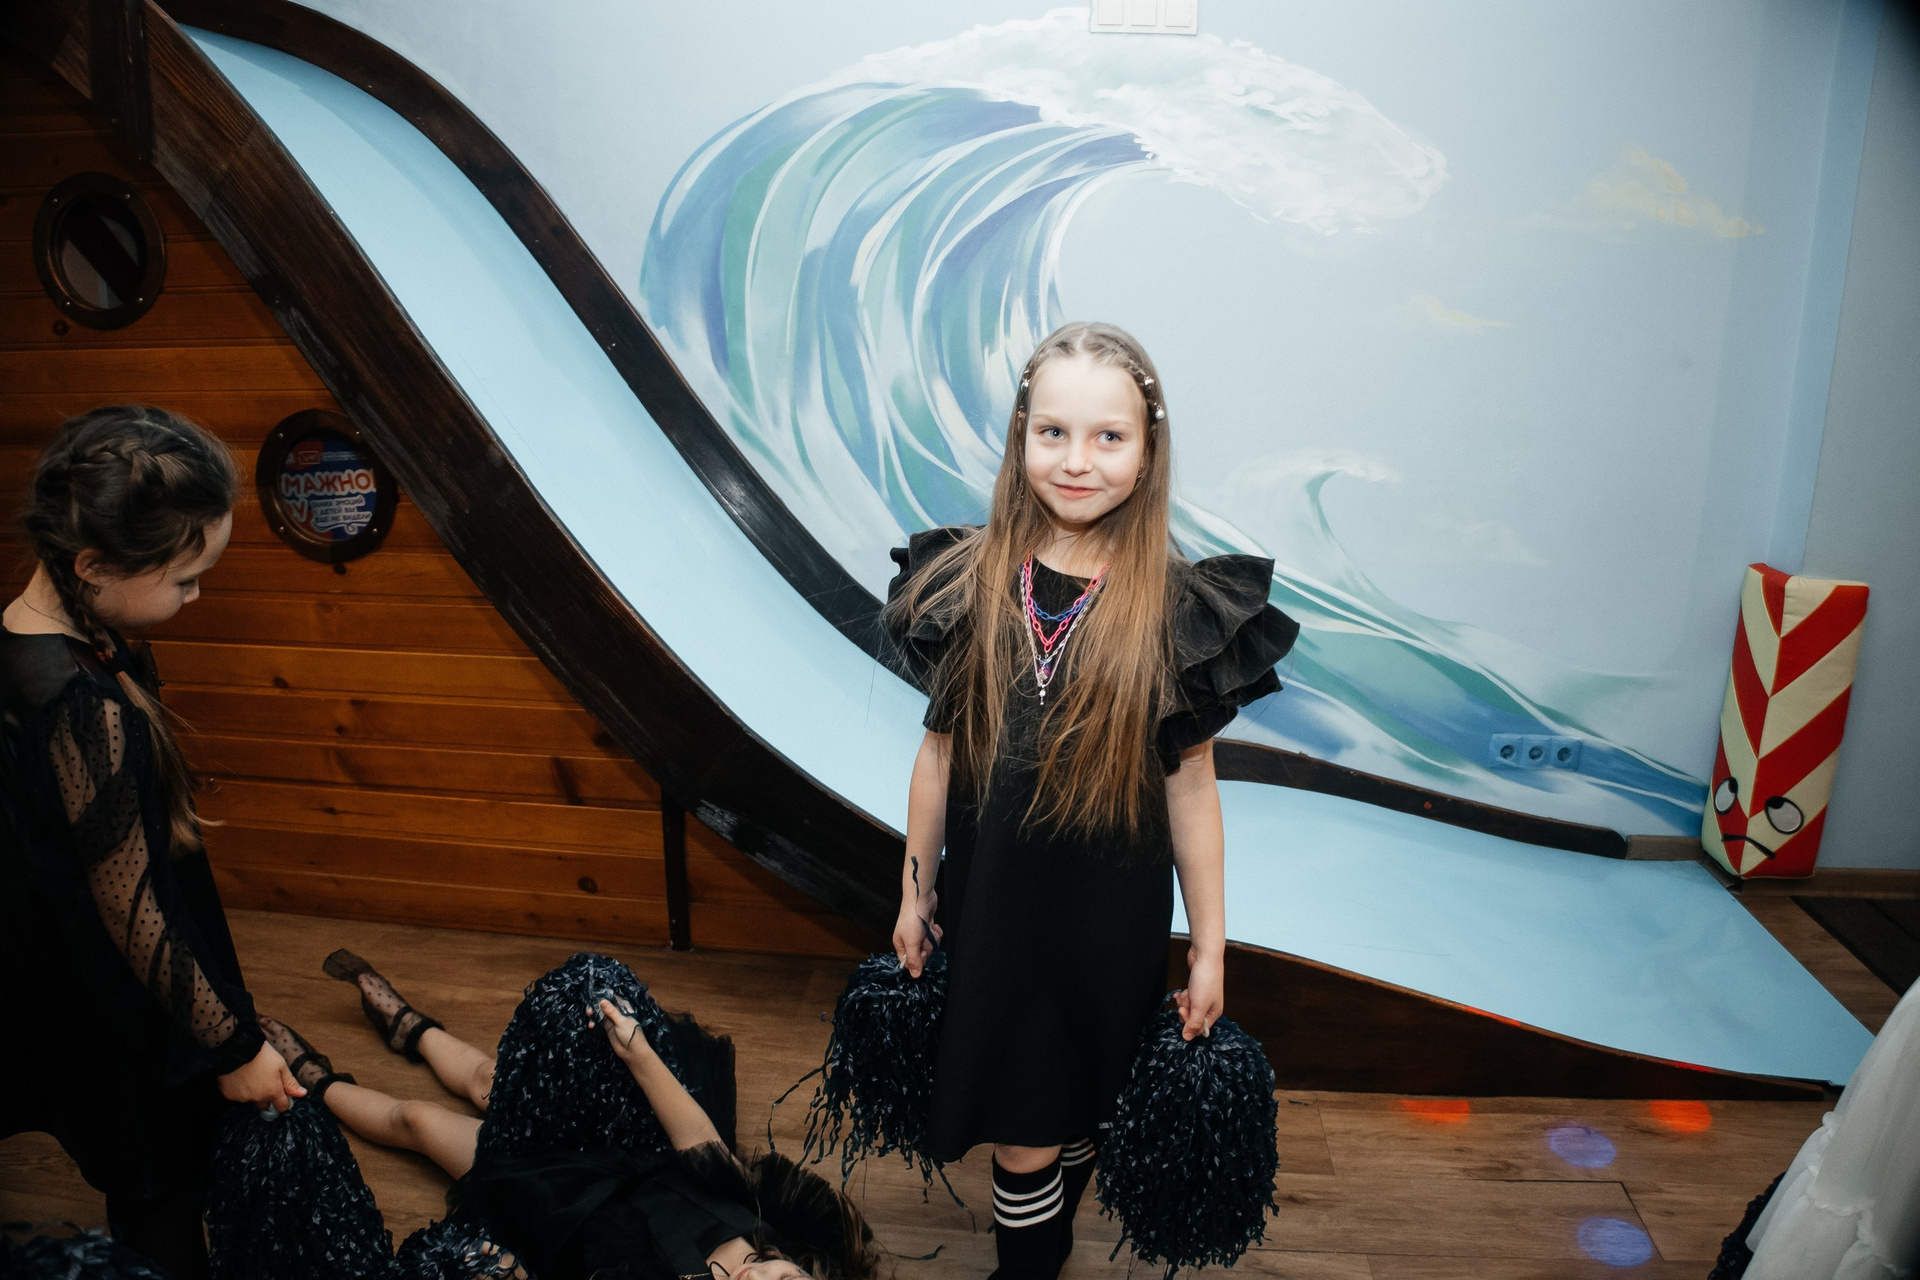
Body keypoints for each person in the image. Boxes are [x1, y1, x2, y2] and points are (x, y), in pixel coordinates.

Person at [884, 322, 1297, 1279]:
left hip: (1108, 929)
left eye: (1109, 436)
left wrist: (1209, 946)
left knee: (1073, 1112)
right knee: (1022, 1130)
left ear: (1148, 450)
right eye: (1053, 432)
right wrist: (913, 891)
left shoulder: (1179, 610)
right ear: (1021, 435)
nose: (1077, 461)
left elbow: (1191, 789)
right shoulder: (964, 582)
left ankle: (1049, 1234)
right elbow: (936, 759)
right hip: (997, 917)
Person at [0, 406, 303, 1279]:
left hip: (73, 976)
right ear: (92, 565)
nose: (195, 597)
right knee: (160, 1187)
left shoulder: (35, 630)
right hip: (119, 1007)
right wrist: (232, 1046)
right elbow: (132, 914)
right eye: (184, 580)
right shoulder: (80, 708)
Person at [259, 950, 881, 1280]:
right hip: (627, 1144)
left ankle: (313, 1080)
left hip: (558, 1203)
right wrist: (637, 1052)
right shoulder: (787, 1226)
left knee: (416, 1121)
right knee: (489, 1082)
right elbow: (703, 1148)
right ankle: (410, 1027)